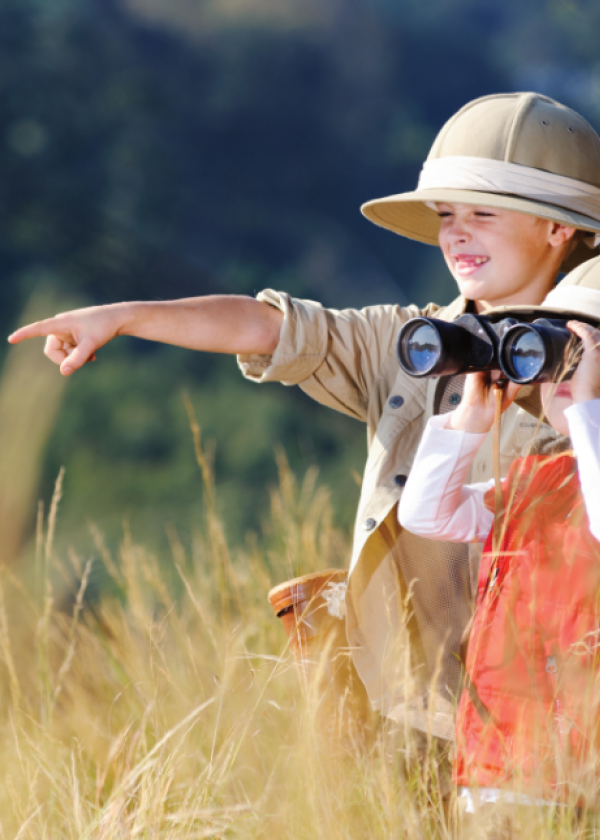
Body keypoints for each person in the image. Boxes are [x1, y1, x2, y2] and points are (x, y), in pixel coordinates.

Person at [8, 93, 600, 762]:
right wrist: (121, 316)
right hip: (398, 705)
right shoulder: (409, 344)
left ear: (558, 228)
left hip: (542, 720)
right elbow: (271, 328)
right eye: (445, 216)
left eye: (482, 214)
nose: (457, 234)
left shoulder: (592, 372)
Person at [398, 255, 600, 818]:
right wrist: (470, 419)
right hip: (498, 763)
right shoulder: (540, 478)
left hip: (580, 776)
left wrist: (590, 411)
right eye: (560, 350)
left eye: (587, 351)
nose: (564, 374)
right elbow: (427, 514)